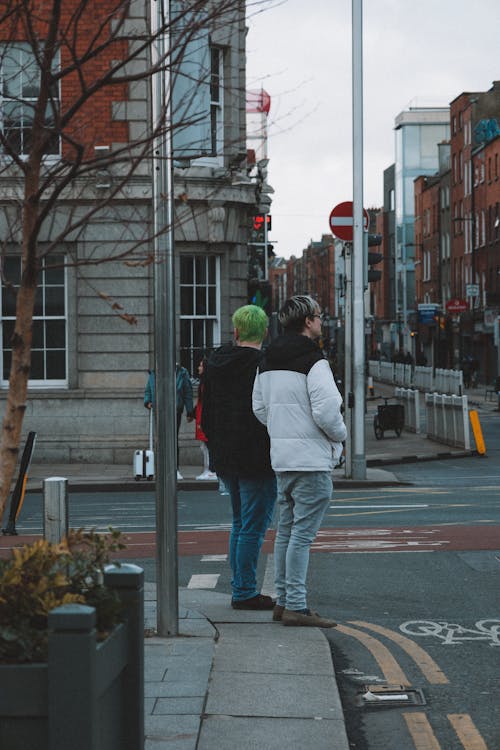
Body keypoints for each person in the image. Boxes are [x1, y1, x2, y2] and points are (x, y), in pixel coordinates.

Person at [252, 294, 347, 628]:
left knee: (286, 533)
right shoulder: (314, 360)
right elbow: (327, 412)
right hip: (311, 461)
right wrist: (341, 436)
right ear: (307, 321)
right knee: (302, 537)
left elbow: (259, 408)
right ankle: (296, 606)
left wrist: (284, 428)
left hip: (283, 459)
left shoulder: (266, 359)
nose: (322, 321)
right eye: (319, 316)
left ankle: (283, 601)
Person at [202, 305, 277, 610]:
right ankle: (244, 591)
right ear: (265, 332)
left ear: (235, 332)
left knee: (239, 522)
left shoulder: (215, 363)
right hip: (256, 455)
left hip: (225, 454)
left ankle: (240, 586)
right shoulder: (263, 364)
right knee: (253, 527)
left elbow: (205, 414)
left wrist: (218, 444)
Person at [144, 365, 194, 480]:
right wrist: (147, 402)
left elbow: (187, 392)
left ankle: (174, 469)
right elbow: (148, 390)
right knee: (161, 440)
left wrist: (190, 411)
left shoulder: (181, 372)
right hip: (159, 410)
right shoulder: (155, 372)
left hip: (175, 410)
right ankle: (161, 468)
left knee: (172, 439)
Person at [194, 357, 216, 480]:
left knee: (208, 445)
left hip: (205, 416)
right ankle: (209, 469)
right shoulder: (205, 382)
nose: (199, 368)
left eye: (201, 366)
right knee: (206, 445)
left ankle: (211, 469)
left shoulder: (207, 383)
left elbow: (205, 402)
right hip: (203, 415)